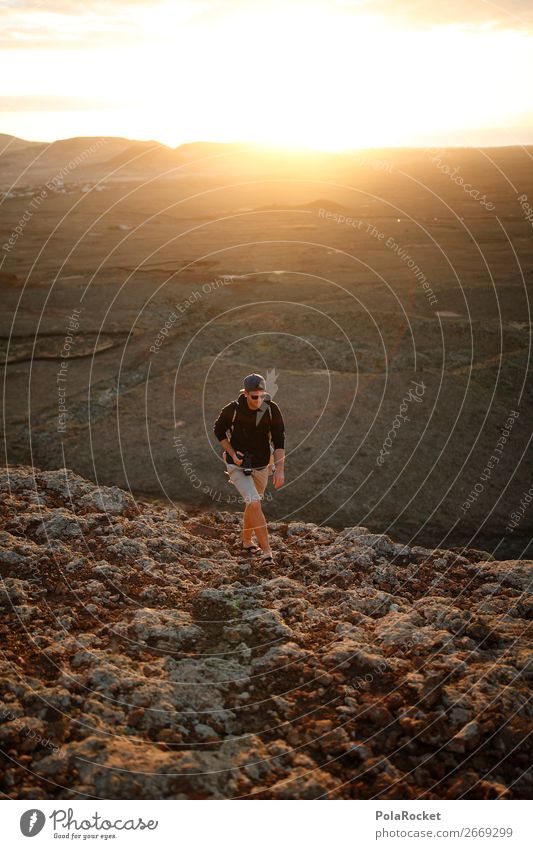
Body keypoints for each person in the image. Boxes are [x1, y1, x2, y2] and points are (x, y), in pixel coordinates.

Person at [213, 373, 285, 565]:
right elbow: (218, 431)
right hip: (237, 465)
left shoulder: (271, 409)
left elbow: (279, 441)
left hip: (263, 464)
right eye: (255, 396)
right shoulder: (232, 410)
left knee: (251, 503)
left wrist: (279, 470)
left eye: (263, 395)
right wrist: (233, 453)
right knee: (254, 503)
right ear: (245, 393)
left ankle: (246, 542)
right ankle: (267, 553)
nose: (259, 400)